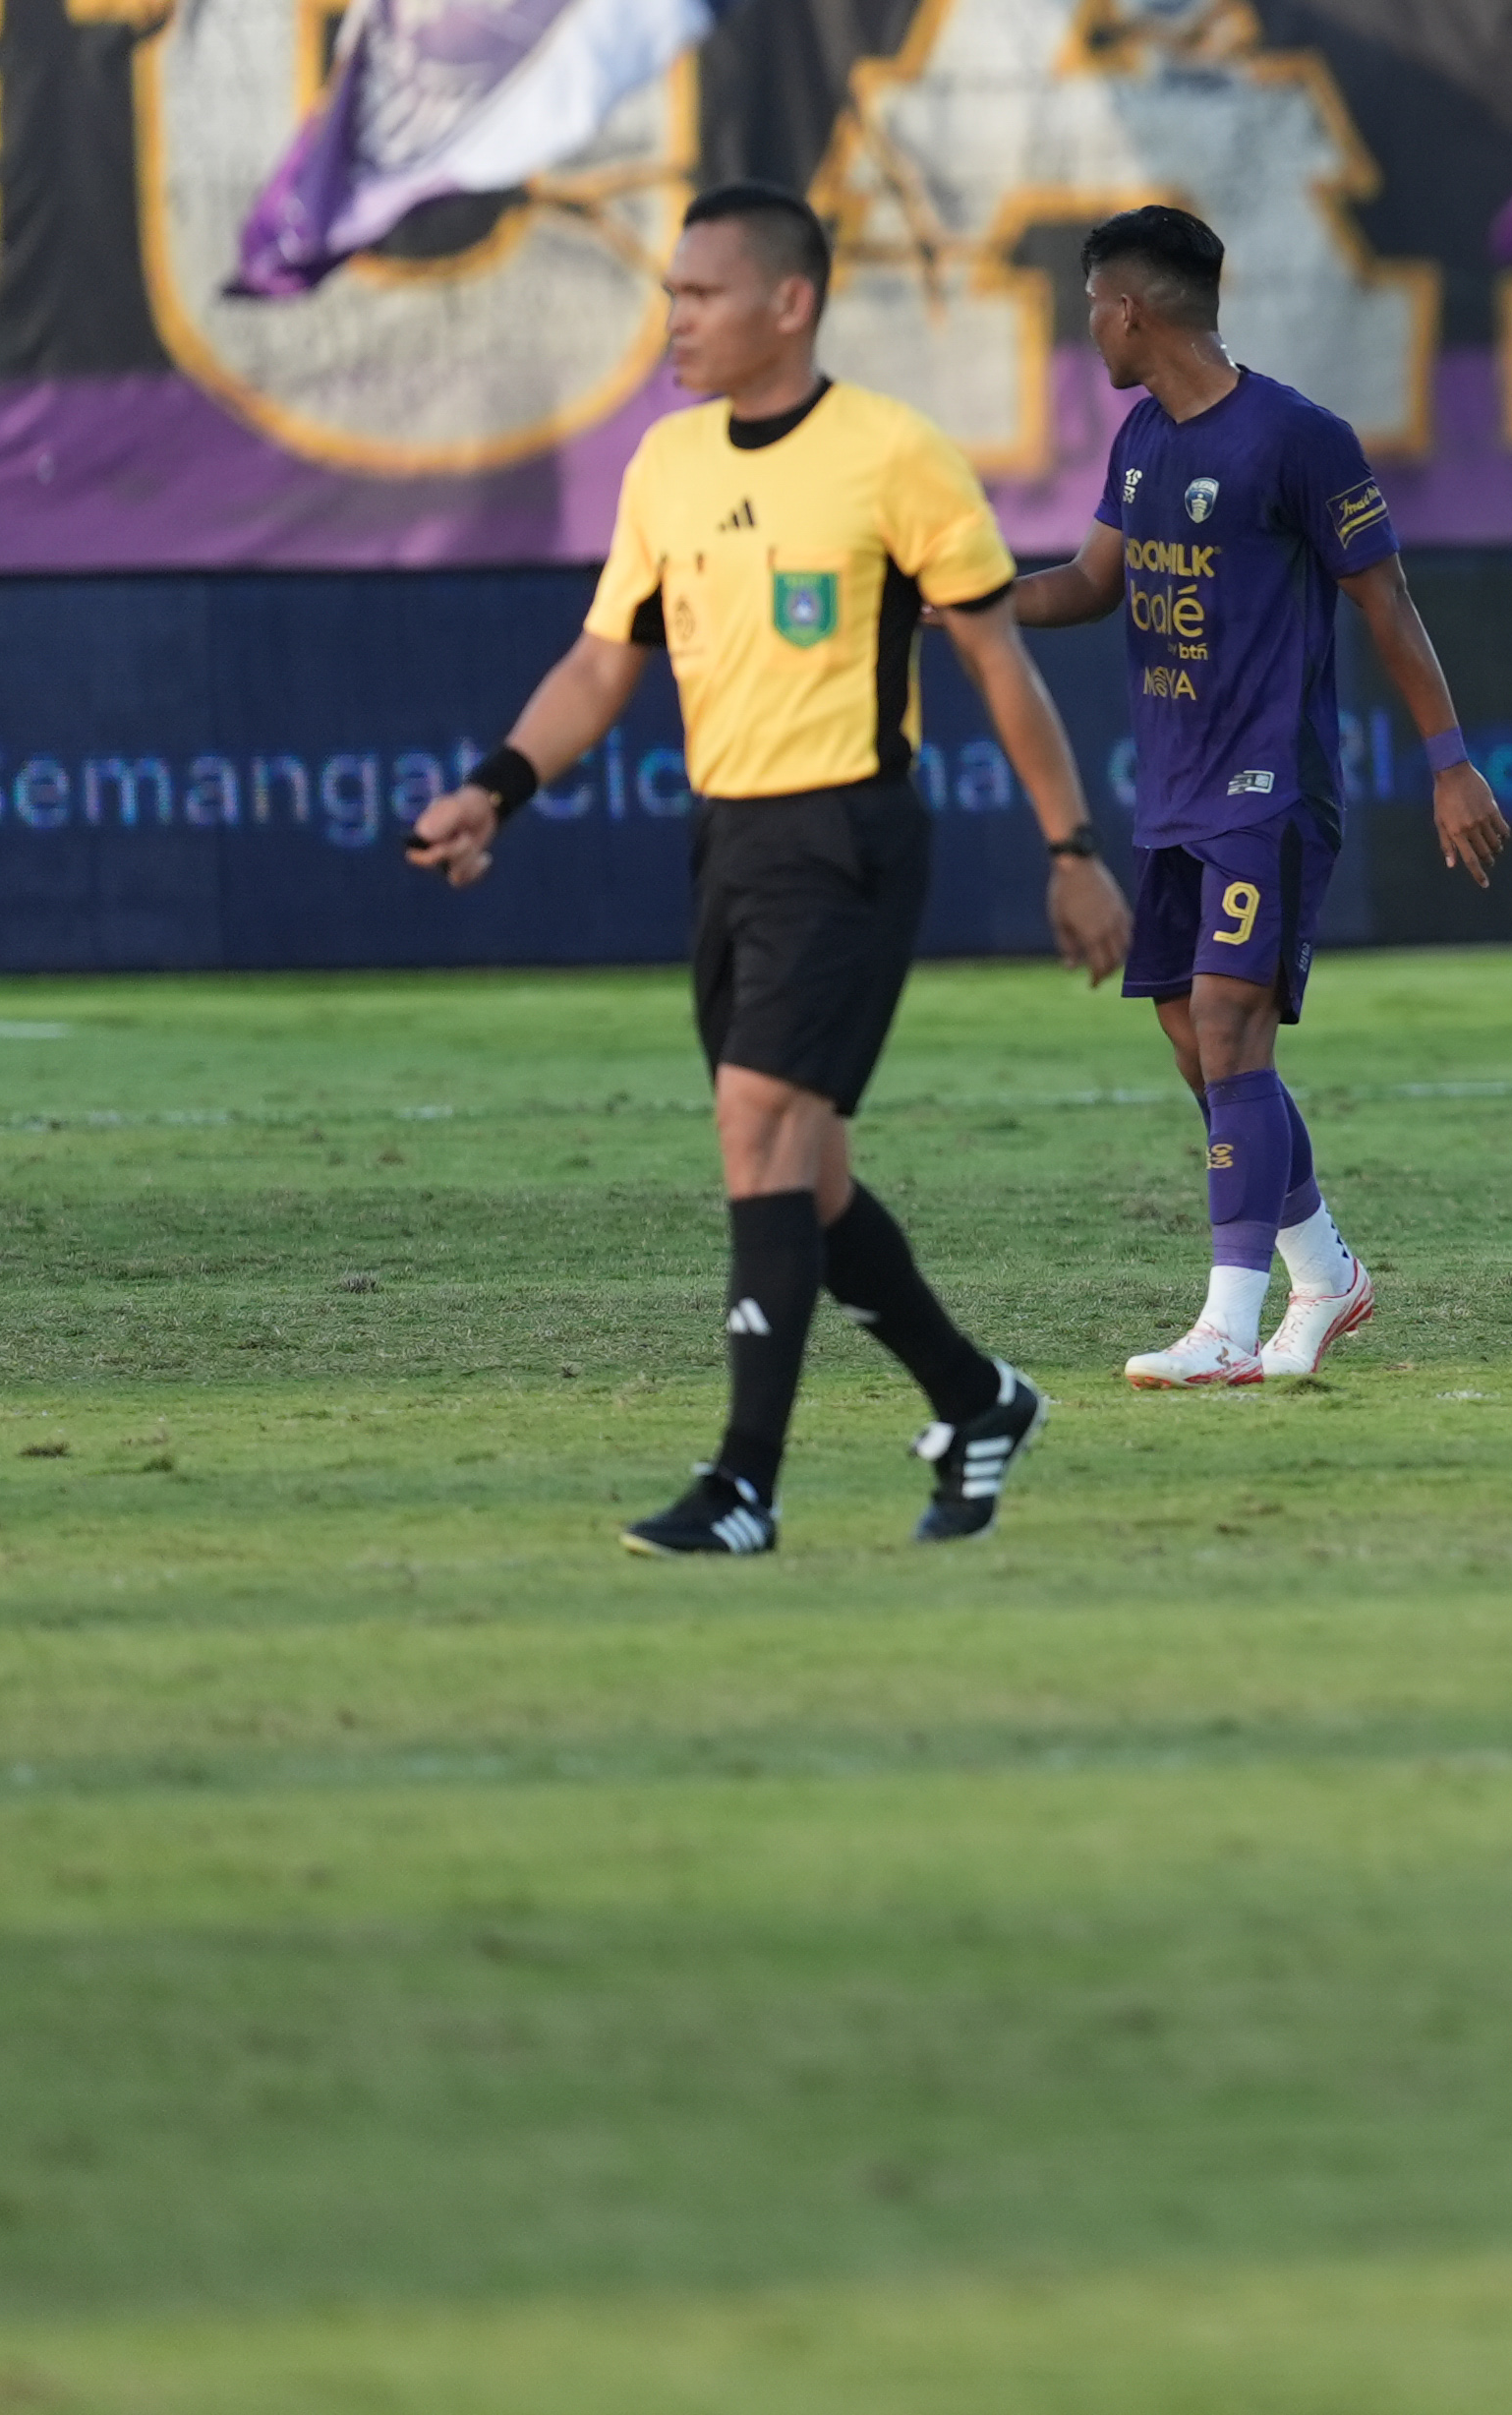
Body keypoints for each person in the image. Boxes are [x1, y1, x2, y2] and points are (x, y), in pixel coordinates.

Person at [406, 188, 1129, 1557]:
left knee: (755, 1124)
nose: (672, 318)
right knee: (814, 1177)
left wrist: (1074, 851)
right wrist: (494, 791)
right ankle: (978, 1399)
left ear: (788, 304)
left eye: (699, 294)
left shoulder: (895, 456)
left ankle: (745, 1483)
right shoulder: (666, 466)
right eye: (670, 293)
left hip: (848, 835)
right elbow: (604, 660)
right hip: (728, 842)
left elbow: (998, 667)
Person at [990, 206, 1508, 1391]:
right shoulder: (1140, 437)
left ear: (1131, 309)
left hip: (1269, 786)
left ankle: (1227, 1323)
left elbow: (1387, 603)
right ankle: (1327, 1274)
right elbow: (1087, 583)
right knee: (1199, 1045)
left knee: (1229, 1029)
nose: (1090, 334)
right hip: (1174, 786)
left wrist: (1449, 756)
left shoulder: (1298, 438)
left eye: (1092, 310)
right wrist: (974, 602)